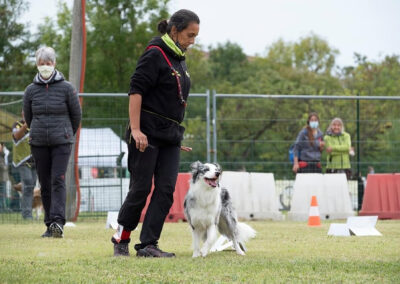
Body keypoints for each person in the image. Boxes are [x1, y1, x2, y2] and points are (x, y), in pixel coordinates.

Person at [111, 9, 200, 257]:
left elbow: (172, 100)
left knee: (166, 189)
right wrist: (136, 129)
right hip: (146, 134)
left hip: (169, 137)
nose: (192, 41)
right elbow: (136, 91)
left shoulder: (179, 58)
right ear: (174, 31)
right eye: (189, 35)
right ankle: (121, 237)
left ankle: (148, 244)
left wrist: (172, 134)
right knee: (140, 188)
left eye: (195, 36)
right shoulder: (155, 53)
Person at [23, 46, 82, 238]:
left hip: (62, 142)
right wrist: (38, 132)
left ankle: (58, 221)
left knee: (58, 179)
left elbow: (76, 115)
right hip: (39, 142)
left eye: (48, 63)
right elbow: (29, 118)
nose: (45, 67)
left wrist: (66, 134)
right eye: (42, 64)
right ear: (37, 65)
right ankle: (49, 224)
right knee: (45, 183)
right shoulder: (30, 90)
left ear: (54, 64)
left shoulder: (67, 88)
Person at [12, 112, 37, 220]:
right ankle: (27, 215)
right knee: (28, 184)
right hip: (23, 161)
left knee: (31, 187)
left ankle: (28, 213)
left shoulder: (36, 124)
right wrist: (26, 124)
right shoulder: (17, 124)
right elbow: (17, 135)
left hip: (36, 161)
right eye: (24, 111)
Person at [0, 142, 9, 211]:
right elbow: (2, 166)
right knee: (2, 192)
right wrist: (6, 167)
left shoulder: (4, 153)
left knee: (4, 192)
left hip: (4, 177)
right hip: (2, 176)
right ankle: (2, 207)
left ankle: (4, 207)